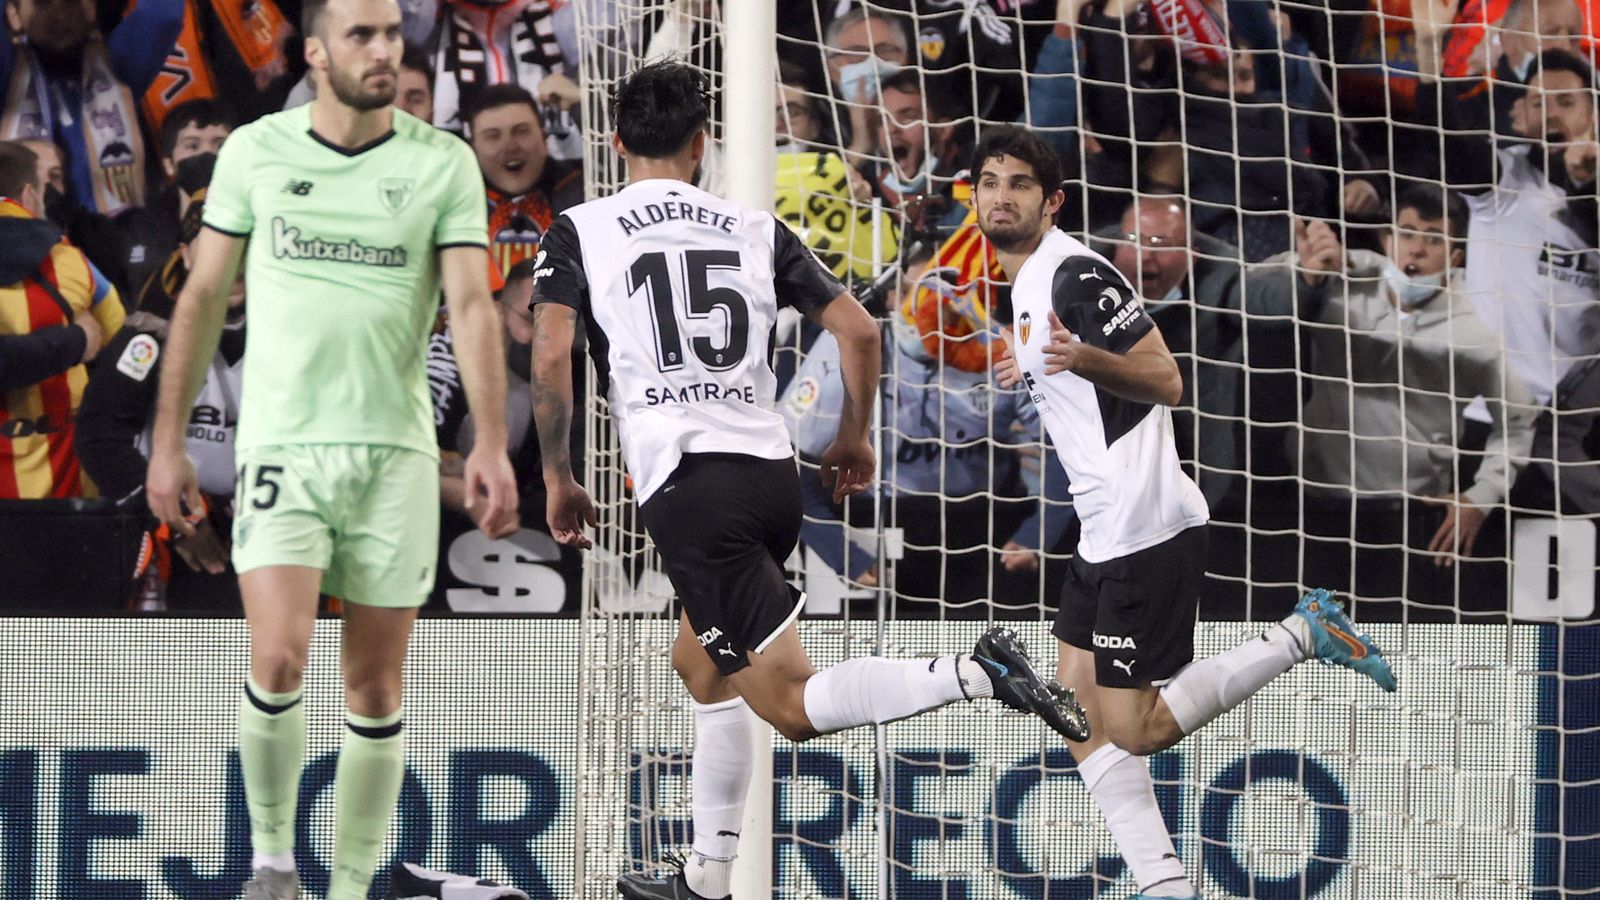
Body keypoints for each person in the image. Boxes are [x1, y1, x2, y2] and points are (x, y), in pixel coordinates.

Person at [527, 61, 1087, 900]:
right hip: (768, 474)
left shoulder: (579, 228)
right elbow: (860, 330)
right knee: (700, 661)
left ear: (612, 145)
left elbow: (548, 354)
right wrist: (854, 440)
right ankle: (708, 876)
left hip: (688, 484)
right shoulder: (752, 226)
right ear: (701, 144)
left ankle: (975, 673)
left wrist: (559, 476)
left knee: (788, 704)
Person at [143, 0, 518, 898]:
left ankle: (347, 888)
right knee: (276, 659)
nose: (385, 49)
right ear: (314, 52)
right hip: (285, 449)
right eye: (363, 35)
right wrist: (167, 443)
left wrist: (493, 444)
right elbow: (199, 300)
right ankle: (272, 864)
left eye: (393, 33)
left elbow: (470, 308)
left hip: (395, 457)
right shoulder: (256, 152)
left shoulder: (442, 165)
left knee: (376, 691)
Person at [978, 124, 1396, 900]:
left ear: (1053, 201)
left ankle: (1302, 633)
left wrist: (1081, 359)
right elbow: (1077, 374)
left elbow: (1165, 378)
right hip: (1104, 529)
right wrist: (1032, 361)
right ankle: (1164, 885)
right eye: (991, 181)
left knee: (1134, 728)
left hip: (1145, 523)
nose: (1002, 196)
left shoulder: (1071, 271)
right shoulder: (1030, 283)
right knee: (1077, 716)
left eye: (1020, 184)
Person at [1286, 186, 1536, 604]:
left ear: (1455, 257)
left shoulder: (1474, 338)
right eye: (1407, 232)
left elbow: (1518, 421)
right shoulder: (1337, 279)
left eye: (1434, 238)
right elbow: (1256, 288)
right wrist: (1305, 273)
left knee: (1395, 654)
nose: (1416, 250)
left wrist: (1483, 496)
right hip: (1314, 508)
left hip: (1409, 521)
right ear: (1387, 240)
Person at [77, 189, 246, 610]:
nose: (231, 268)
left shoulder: (297, 332)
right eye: (215, 253)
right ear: (186, 256)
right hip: (172, 528)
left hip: (270, 522)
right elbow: (99, 434)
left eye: (243, 252)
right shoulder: (150, 333)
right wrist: (180, 520)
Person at [0, 140, 123, 499]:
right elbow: (124, 347)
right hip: (69, 499)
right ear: (29, 194)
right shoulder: (73, 263)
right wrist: (79, 341)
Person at [466, 84, 582, 276]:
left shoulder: (584, 189)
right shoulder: (455, 205)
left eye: (522, 131)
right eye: (493, 136)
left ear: (544, 138)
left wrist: (582, 100)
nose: (510, 146)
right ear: (473, 149)